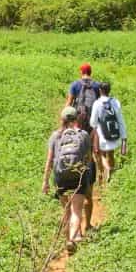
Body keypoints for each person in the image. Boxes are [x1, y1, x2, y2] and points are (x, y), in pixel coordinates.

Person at [43, 105, 96, 252]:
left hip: (60, 177)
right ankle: (72, 239)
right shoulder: (83, 134)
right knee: (76, 210)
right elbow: (89, 158)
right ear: (76, 118)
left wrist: (45, 182)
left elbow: (50, 160)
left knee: (66, 211)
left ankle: (67, 240)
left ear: (62, 119)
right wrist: (85, 173)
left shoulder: (55, 136)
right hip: (77, 175)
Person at [89, 81, 127, 183]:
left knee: (99, 153)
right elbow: (120, 119)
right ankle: (111, 173)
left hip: (102, 135)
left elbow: (93, 122)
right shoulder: (115, 102)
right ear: (109, 91)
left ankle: (107, 168)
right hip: (114, 134)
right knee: (111, 153)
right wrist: (124, 137)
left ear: (100, 90)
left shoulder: (97, 103)